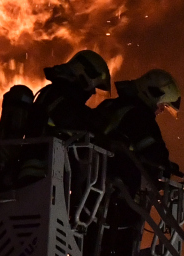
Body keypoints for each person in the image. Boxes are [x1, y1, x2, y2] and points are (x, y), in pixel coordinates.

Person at [87, 69, 182, 256]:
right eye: (162, 105)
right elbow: (156, 157)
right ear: (153, 94)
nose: (160, 110)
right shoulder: (140, 116)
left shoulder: (110, 107)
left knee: (89, 246)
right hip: (117, 200)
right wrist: (166, 170)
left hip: (90, 193)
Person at [11, 50, 112, 183]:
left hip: (50, 168)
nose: (93, 92)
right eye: (94, 87)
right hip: (39, 167)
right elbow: (69, 118)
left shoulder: (61, 93)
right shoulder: (58, 93)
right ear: (85, 74)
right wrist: (98, 123)